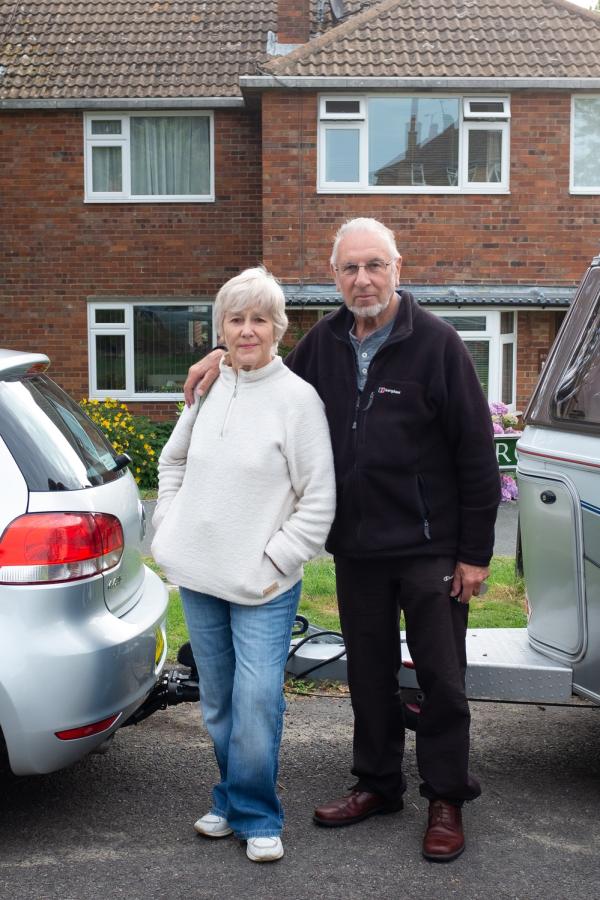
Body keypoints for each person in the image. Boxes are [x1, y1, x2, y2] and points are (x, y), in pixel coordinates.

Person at [183, 219, 501, 862]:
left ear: (397, 268)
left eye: (374, 265)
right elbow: (264, 368)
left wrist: (475, 554)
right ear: (335, 277)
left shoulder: (438, 346)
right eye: (350, 268)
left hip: (429, 546)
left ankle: (445, 797)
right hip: (356, 546)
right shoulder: (323, 345)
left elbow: (476, 456)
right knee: (370, 676)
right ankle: (378, 784)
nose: (363, 279)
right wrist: (219, 355)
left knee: (441, 677)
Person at [152, 267, 335, 863]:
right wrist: (168, 531)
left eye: (260, 319)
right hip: (200, 576)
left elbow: (318, 499)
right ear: (221, 329)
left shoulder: (297, 399)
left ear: (278, 328)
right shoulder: (207, 390)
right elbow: (172, 463)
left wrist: (275, 559)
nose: (247, 330)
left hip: (262, 584)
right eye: (237, 319)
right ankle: (230, 801)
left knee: (258, 700)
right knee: (220, 701)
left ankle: (257, 815)